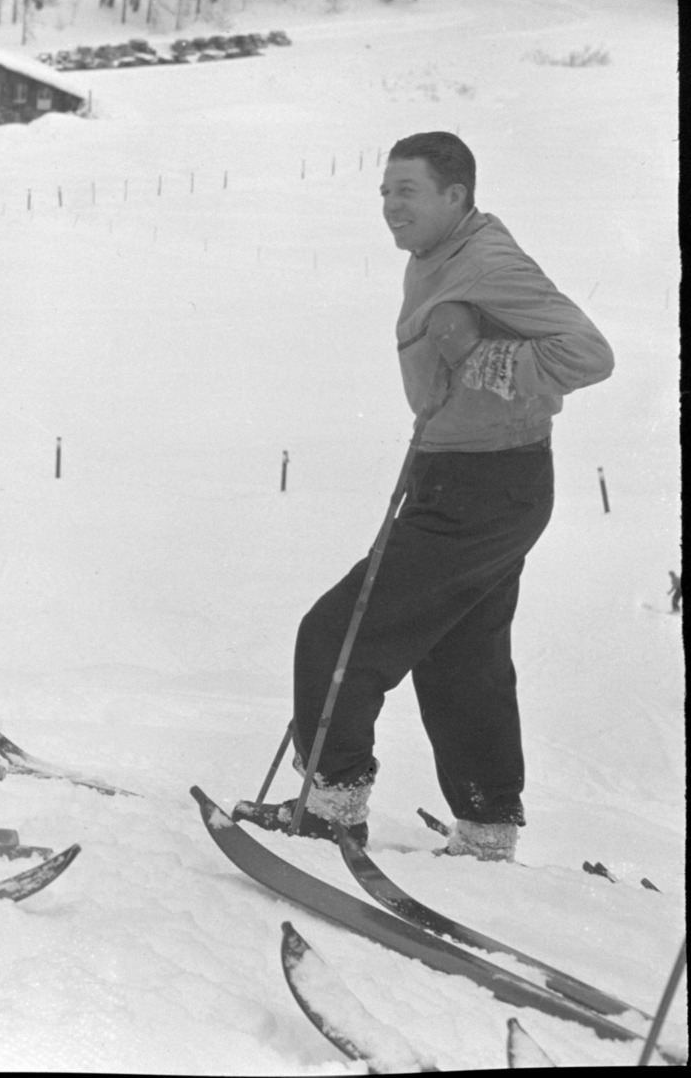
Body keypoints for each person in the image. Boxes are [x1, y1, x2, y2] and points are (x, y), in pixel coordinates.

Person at [236, 132, 612, 861]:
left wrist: (481, 355)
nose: (388, 206)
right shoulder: (440, 255)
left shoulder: (488, 262)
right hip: (478, 477)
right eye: (383, 191)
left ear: (455, 196)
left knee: (336, 634)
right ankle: (485, 826)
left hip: (484, 485)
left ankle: (332, 806)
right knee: (458, 654)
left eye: (405, 191)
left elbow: (588, 354)